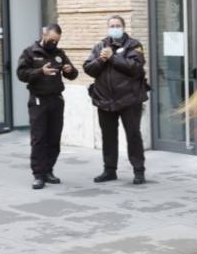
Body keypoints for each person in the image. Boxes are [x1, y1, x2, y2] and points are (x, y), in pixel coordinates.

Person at [83, 15, 148, 184]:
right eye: (111, 25)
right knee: (108, 136)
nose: (114, 28)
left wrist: (112, 57)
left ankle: (138, 170)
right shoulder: (100, 46)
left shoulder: (134, 45)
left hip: (129, 100)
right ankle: (109, 170)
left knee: (133, 135)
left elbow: (135, 68)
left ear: (124, 27)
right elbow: (89, 69)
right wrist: (101, 59)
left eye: (117, 25)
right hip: (105, 100)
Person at [16, 23, 79, 189]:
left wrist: (69, 70)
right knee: (39, 138)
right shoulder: (30, 52)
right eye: (51, 40)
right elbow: (21, 74)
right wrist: (40, 72)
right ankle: (38, 174)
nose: (54, 43)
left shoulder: (59, 53)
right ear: (44, 35)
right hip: (38, 101)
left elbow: (73, 75)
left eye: (57, 41)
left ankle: (49, 170)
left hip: (56, 100)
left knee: (54, 138)